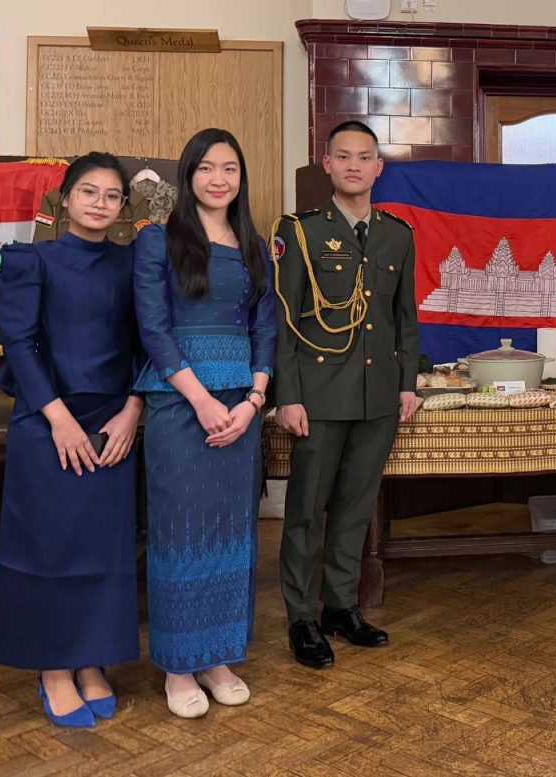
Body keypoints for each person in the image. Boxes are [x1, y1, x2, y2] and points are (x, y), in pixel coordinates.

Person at [0, 152, 143, 727]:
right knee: (49, 550)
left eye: (111, 195)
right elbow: (20, 341)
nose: (100, 203)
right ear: (65, 198)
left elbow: (145, 343)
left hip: (111, 427)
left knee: (103, 552)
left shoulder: (131, 265)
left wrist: (133, 409)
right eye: (89, 192)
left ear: (122, 207)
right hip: (48, 422)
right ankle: (53, 668)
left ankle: (90, 661)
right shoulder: (30, 259)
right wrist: (57, 416)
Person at [133, 128, 275, 719]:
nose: (220, 179)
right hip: (178, 404)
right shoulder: (157, 241)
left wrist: (253, 400)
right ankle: (177, 664)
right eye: (208, 167)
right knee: (179, 534)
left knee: (231, 533)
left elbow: (265, 326)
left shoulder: (253, 244)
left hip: (240, 408)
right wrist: (201, 400)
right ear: (188, 174)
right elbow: (153, 328)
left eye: (231, 169)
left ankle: (217, 654)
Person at [273, 120, 420, 669]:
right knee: (308, 511)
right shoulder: (301, 232)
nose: (354, 165)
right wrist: (288, 395)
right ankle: (301, 617)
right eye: (344, 156)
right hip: (319, 394)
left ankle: (340, 605)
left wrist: (407, 384)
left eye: (365, 157)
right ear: (327, 165)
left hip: (378, 394)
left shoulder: (397, 234)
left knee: (356, 509)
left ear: (379, 168)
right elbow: (284, 321)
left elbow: (405, 317)